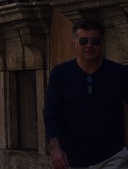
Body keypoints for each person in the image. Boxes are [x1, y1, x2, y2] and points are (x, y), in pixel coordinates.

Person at [44, 19, 128, 169]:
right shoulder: (60, 74)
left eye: (95, 41)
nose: (89, 45)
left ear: (101, 42)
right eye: (83, 41)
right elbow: (51, 113)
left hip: (113, 157)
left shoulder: (119, 73)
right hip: (72, 159)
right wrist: (55, 148)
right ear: (75, 43)